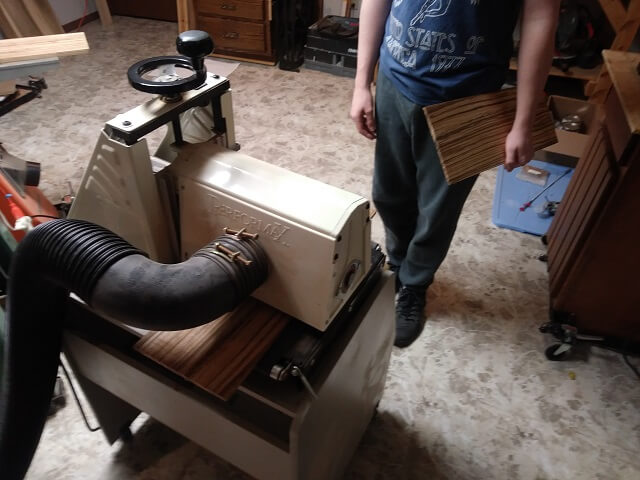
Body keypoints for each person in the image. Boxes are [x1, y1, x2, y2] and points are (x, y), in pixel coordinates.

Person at [350, 0, 560, 348]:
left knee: (437, 209)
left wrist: (523, 121)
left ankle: (414, 285)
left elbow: (540, 18)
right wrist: (361, 83)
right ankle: (399, 267)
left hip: (466, 97)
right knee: (389, 193)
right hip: (394, 79)